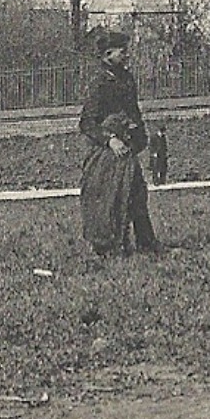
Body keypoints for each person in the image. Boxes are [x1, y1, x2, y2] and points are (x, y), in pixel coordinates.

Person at [78, 29, 158, 256]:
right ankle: (109, 247)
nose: (126, 54)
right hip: (106, 155)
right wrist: (110, 140)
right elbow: (87, 123)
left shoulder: (126, 78)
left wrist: (140, 135)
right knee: (109, 199)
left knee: (137, 194)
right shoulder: (99, 83)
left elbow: (134, 111)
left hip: (128, 148)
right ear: (106, 55)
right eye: (121, 51)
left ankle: (147, 243)